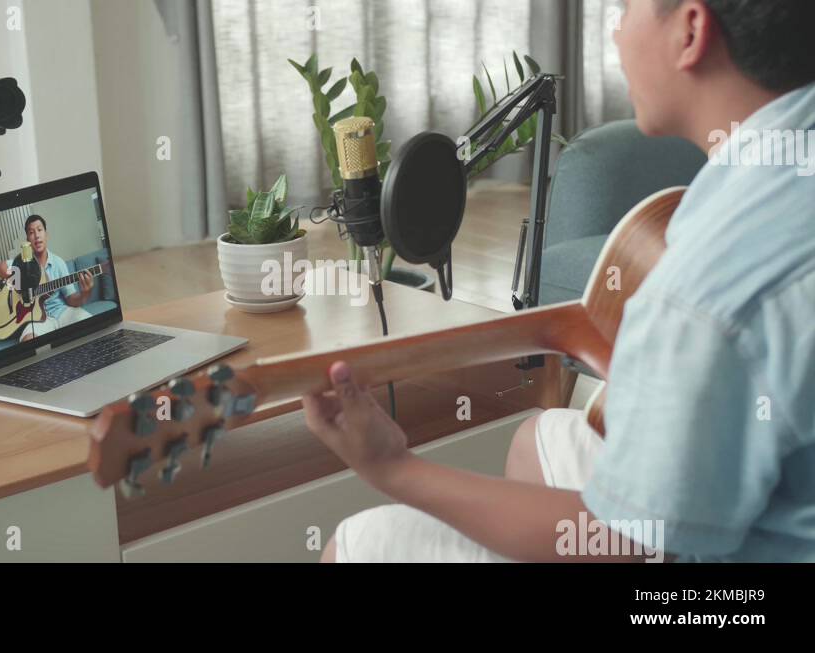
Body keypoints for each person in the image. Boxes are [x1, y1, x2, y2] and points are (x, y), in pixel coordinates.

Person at [302, 0, 815, 562]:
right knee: (537, 439)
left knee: (364, 543)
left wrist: (392, 467)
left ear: (690, 31)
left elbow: (621, 541)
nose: (617, 33)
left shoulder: (707, 287)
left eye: (626, 9)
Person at [0, 214, 95, 342]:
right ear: (27, 239)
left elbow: (71, 299)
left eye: (39, 230)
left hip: (62, 312)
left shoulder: (58, 262)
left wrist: (85, 293)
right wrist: (16, 280)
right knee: (28, 341)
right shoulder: (23, 263)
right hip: (37, 320)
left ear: (46, 235)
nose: (36, 235)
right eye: (31, 232)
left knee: (91, 324)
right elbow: (0, 267)